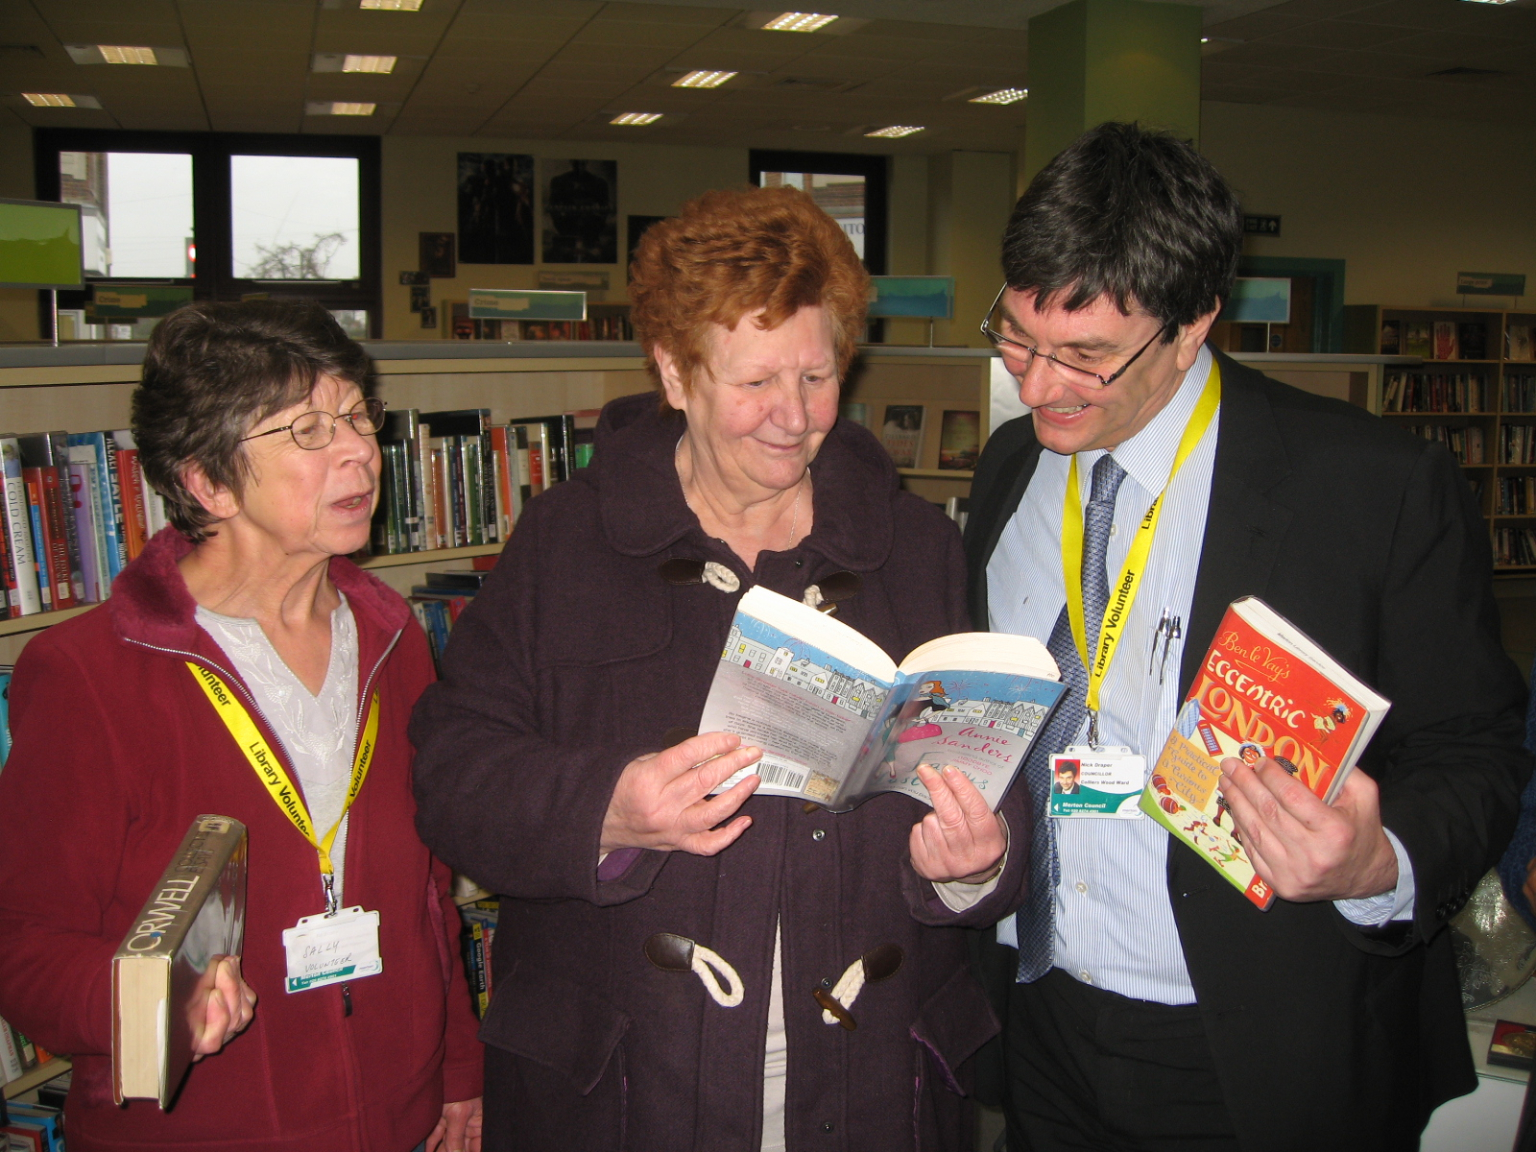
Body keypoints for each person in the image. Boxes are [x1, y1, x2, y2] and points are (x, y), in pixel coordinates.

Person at [408, 185, 1031, 1152]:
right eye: (756, 382)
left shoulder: (913, 547)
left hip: (870, 1086)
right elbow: (451, 772)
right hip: (627, 1090)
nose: (794, 415)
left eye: (818, 376)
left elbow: (990, 771)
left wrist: (976, 863)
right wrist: (606, 807)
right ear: (675, 371)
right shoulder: (568, 541)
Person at [964, 122, 1530, 1152]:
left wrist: (1379, 860)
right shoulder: (1009, 466)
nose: (1038, 386)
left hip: (1260, 1043)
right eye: (1016, 335)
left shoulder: (1369, 489)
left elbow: (1475, 747)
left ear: (1192, 325)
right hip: (1041, 1017)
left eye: (1086, 356)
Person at [0, 301, 484, 1152]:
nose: (359, 451)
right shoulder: (90, 674)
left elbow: (428, 892)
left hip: (399, 1118)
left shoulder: (394, 638)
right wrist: (147, 1002)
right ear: (208, 483)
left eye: (357, 416)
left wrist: (455, 1068)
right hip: (199, 1132)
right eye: (307, 430)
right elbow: (22, 944)